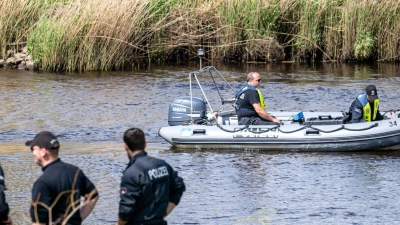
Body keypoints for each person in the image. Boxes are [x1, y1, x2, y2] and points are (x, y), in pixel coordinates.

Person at [26, 131, 99, 225]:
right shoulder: (75, 172)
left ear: (43, 152)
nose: (32, 152)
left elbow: (39, 223)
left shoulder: (42, 183)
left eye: (33, 148)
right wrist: (76, 219)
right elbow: (93, 196)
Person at [116, 128, 185, 225]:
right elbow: (179, 186)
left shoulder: (131, 173)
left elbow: (125, 211)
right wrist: (161, 214)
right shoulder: (162, 165)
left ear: (125, 146)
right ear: (145, 143)